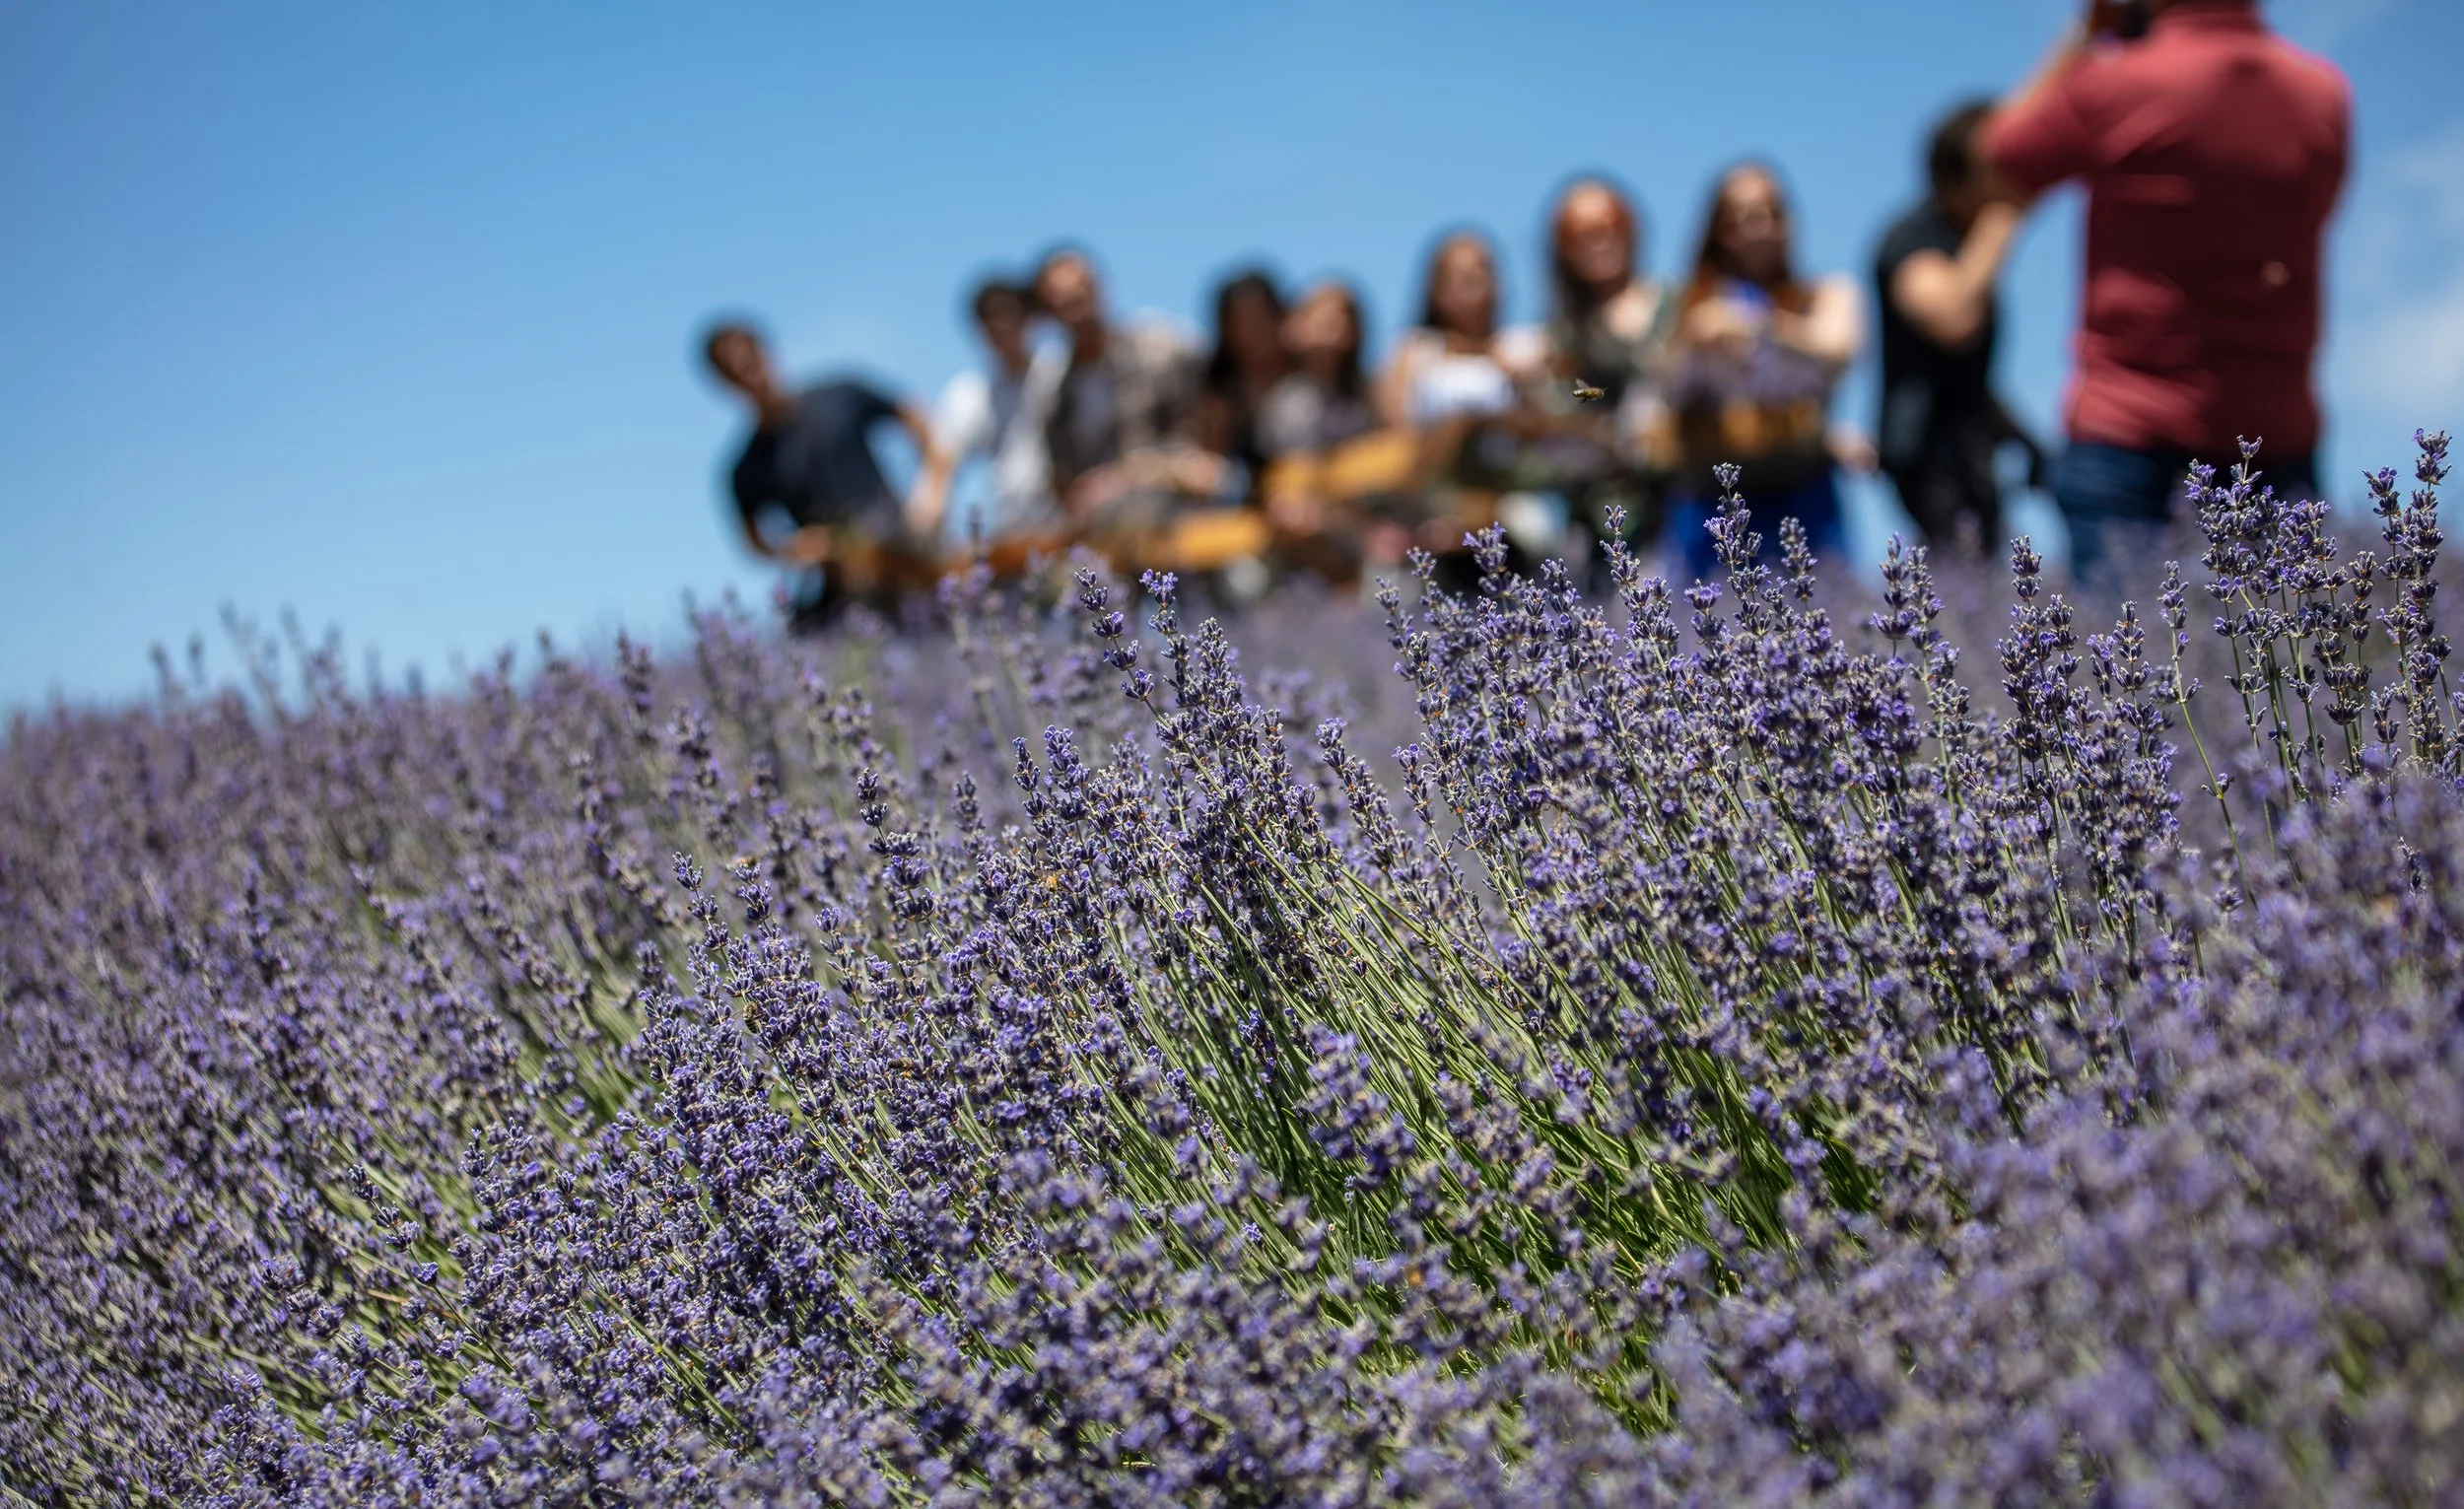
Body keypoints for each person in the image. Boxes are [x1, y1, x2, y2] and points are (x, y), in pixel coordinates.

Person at [1982, 0, 2350, 586]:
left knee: (2125, 666)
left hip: (2128, 433)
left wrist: (2084, 35)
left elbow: (2000, 155)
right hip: (2277, 431)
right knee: (2292, 665)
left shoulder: (2118, 83)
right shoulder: (2323, 95)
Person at [1662, 163, 1867, 580]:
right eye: (1740, 218)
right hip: (1712, 497)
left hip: (1804, 492)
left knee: (1816, 618)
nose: (1757, 228)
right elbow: (1661, 389)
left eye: (1769, 213)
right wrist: (1691, 342)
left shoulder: (1826, 293)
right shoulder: (1687, 305)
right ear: (1719, 231)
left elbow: (1840, 350)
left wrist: (1756, 322)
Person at [1874, 101, 2044, 556]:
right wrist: (2005, 218)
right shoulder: (1914, 240)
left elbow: (1963, 378)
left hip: (1973, 453)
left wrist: (2023, 438)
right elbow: (1952, 320)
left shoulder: (1961, 243)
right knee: (1959, 580)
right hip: (1928, 461)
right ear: (1954, 179)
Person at [700, 319, 942, 625]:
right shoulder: (746, 467)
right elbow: (755, 543)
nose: (752, 377)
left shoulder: (840, 394)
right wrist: (794, 547)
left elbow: (917, 418)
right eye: (737, 373)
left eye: (751, 362)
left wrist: (931, 491)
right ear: (725, 384)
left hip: (903, 553)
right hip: (839, 586)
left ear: (766, 352)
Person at [1538, 175, 1680, 565]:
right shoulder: (1558, 333)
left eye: (1608, 226)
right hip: (1590, 512)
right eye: (1578, 234)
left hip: (1676, 508)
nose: (1596, 240)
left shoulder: (1676, 305)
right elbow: (1559, 406)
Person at [1031, 246, 1213, 531]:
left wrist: (1127, 477)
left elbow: (1208, 437)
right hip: (1103, 538)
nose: (1074, 313)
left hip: (1178, 516)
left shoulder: (1162, 348)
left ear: (1100, 289)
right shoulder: (1056, 396)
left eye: (1079, 296)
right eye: (1060, 304)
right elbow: (1062, 484)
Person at [912, 278, 1066, 551]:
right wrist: (921, 530)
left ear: (1028, 318)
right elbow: (940, 466)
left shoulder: (1059, 373)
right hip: (1013, 537)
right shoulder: (971, 395)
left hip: (1069, 528)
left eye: (1008, 315)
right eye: (989, 321)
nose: (1001, 327)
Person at [1196, 268, 1289, 500]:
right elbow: (1211, 462)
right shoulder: (1217, 391)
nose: (1250, 334)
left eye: (1259, 320)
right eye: (1239, 323)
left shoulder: (1307, 378)